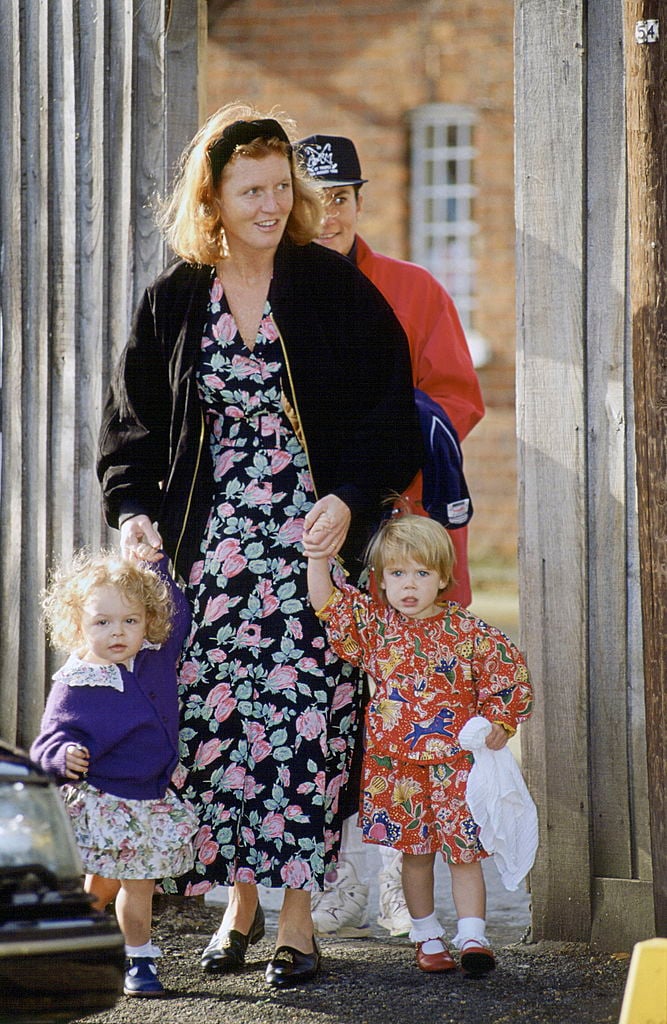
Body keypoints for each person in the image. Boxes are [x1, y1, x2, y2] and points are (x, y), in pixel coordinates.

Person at [96, 103, 423, 989]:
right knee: (217, 727)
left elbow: (391, 413)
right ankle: (236, 905)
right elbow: (131, 426)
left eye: (281, 187)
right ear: (212, 198)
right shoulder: (174, 297)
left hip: (310, 548)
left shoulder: (329, 287)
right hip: (209, 553)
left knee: (306, 723)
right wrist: (133, 509)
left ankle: (296, 921)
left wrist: (348, 501)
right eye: (252, 191)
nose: (272, 204)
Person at [297, 132, 485, 938]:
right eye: (314, 200)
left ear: (358, 201)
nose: (329, 215)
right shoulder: (268, 291)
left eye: (342, 198)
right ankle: (333, 867)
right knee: (321, 702)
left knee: (408, 707)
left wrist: (385, 457)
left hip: (398, 526)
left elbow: (456, 398)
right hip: (308, 527)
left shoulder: (412, 288)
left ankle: (394, 875)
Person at [304, 513, 532, 975]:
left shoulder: (469, 633)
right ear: (381, 579)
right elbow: (328, 604)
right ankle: (426, 935)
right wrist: (317, 557)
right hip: (397, 767)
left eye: (422, 573)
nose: (409, 585)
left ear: (444, 577)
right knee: (415, 854)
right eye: (397, 573)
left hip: (456, 766)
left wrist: (501, 723)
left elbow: (508, 678)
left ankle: (473, 936)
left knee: (465, 853)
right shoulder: (377, 629)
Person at [30, 550, 198, 998]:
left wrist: (156, 565)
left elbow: (178, 613)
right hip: (105, 800)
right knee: (130, 886)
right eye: (102, 622)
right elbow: (47, 742)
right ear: (78, 625)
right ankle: (137, 959)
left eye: (130, 620)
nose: (118, 632)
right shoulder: (76, 682)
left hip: (151, 796)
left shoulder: (155, 658)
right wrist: (63, 756)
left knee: (117, 884)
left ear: (148, 621)